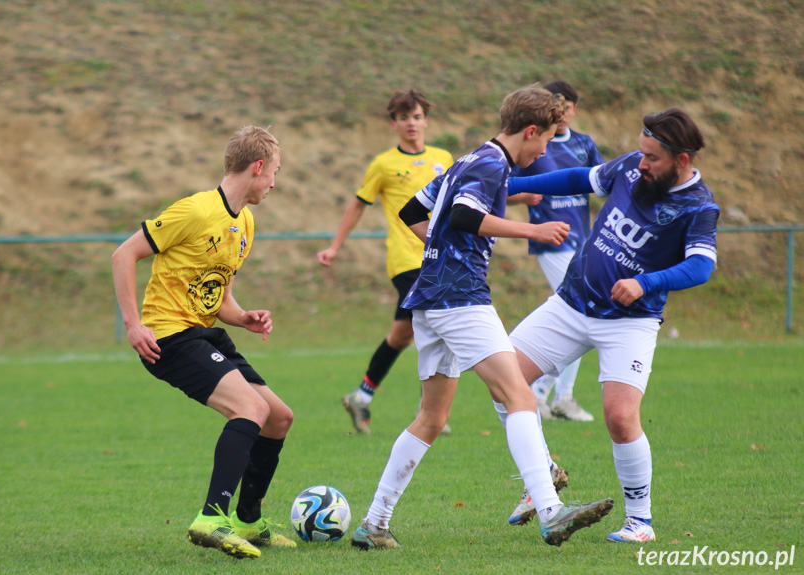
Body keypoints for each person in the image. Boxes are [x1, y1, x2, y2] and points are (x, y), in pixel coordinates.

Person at [350, 87, 614, 551]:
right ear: (529, 131)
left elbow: (413, 210)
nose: (545, 150)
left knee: (431, 419)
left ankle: (375, 522)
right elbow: (466, 215)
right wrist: (530, 229)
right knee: (520, 397)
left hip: (430, 298)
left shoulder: (468, 160)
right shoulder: (492, 166)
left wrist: (439, 247)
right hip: (459, 297)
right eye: (546, 140)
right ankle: (551, 512)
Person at [502, 108, 718, 542]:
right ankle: (543, 471)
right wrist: (509, 185)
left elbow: (701, 266)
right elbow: (577, 179)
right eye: (641, 153)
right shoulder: (629, 168)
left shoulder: (699, 207)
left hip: (630, 323)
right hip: (571, 304)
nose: (641, 164)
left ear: (681, 160)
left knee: (620, 418)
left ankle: (640, 522)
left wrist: (645, 283)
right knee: (502, 379)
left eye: (652, 158)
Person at [112, 126, 295, 560]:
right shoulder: (194, 211)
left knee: (279, 418)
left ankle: (248, 521)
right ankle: (212, 517)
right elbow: (124, 254)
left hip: (205, 332)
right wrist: (133, 324)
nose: (274, 183)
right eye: (274, 173)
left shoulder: (245, 221)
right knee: (251, 408)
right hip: (169, 336)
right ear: (257, 167)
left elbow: (220, 297)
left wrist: (244, 318)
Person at [316, 89, 454, 435]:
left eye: (417, 116)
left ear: (427, 120)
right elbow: (358, 204)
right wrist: (334, 246)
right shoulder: (383, 164)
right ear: (393, 123)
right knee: (435, 320)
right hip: (405, 259)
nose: (411, 123)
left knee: (401, 333)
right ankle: (429, 410)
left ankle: (361, 397)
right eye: (404, 117)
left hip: (441, 256)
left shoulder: (443, 157)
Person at [508, 80, 605, 421]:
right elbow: (502, 189)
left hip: (583, 239)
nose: (562, 113)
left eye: (567, 107)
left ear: (575, 109)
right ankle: (549, 394)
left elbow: (603, 186)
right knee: (579, 311)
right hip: (551, 240)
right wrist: (523, 197)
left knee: (578, 312)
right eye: (556, 106)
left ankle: (547, 395)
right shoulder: (534, 145)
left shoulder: (584, 144)